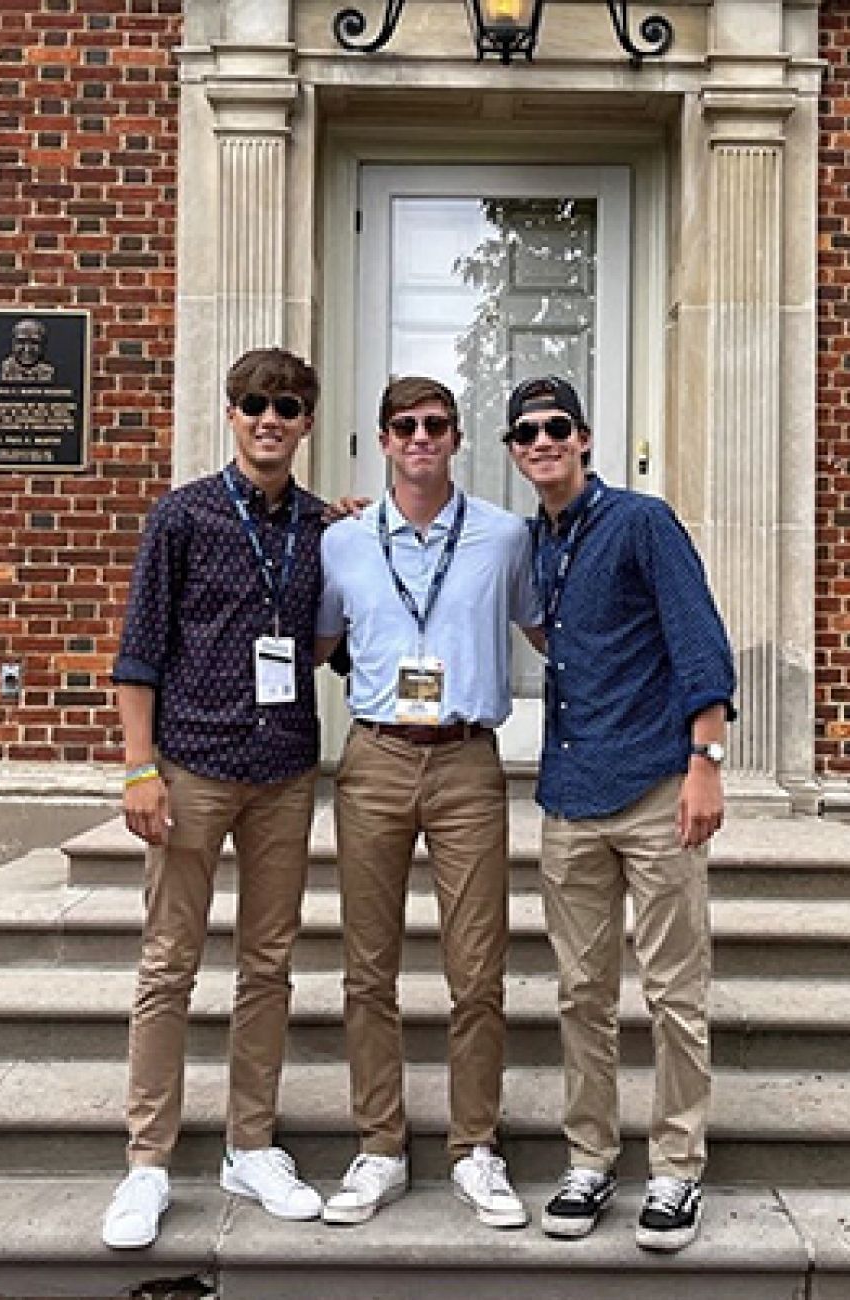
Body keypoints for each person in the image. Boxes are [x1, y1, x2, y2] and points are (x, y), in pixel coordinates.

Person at [502, 375, 736, 1252]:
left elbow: (699, 642)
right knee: (582, 994)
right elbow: (547, 632)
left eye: (557, 426)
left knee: (676, 990)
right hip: (568, 798)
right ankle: (589, 1158)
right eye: (527, 432)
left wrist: (704, 763)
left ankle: (677, 1170)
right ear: (515, 450)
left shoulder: (642, 523)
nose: (543, 441)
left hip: (651, 792)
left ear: (586, 437)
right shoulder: (534, 542)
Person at [102, 347, 328, 1249]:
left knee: (267, 966)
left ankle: (251, 1143)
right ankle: (148, 1163)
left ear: (308, 420)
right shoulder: (183, 515)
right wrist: (137, 767)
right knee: (169, 965)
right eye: (253, 404)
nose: (269, 419)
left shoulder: (321, 528)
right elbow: (138, 651)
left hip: (283, 772)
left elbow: (325, 641)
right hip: (191, 765)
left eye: (286, 406)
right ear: (230, 414)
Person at [314, 375, 542, 1230]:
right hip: (373, 758)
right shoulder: (342, 542)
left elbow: (549, 631)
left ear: (456, 438)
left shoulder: (504, 536)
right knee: (367, 970)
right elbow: (318, 642)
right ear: (382, 440)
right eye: (404, 426)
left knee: (477, 969)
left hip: (466, 765)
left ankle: (474, 1147)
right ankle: (380, 1145)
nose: (420, 438)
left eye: (435, 425)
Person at [0, 317, 56, 382]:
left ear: (43, 345)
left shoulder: (47, 371)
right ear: (13, 344)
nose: (27, 349)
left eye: (34, 343)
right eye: (21, 342)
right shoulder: (7, 369)